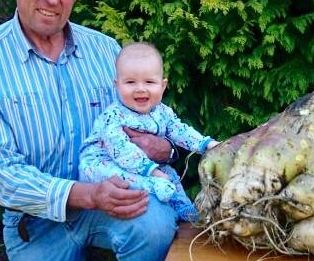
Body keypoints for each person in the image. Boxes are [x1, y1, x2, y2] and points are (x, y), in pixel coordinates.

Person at [0, 0, 182, 260]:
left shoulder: (106, 50)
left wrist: (166, 149)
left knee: (154, 224)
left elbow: (153, 118)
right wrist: (87, 195)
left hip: (112, 199)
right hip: (35, 224)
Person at [79, 42, 219, 223]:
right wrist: (152, 172)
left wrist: (206, 145)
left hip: (142, 164)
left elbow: (180, 130)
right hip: (102, 163)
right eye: (130, 82)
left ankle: (185, 209)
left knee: (171, 177)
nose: (140, 89)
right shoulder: (113, 116)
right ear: (117, 85)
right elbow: (121, 151)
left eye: (149, 82)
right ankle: (151, 186)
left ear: (162, 85)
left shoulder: (162, 111)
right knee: (131, 179)